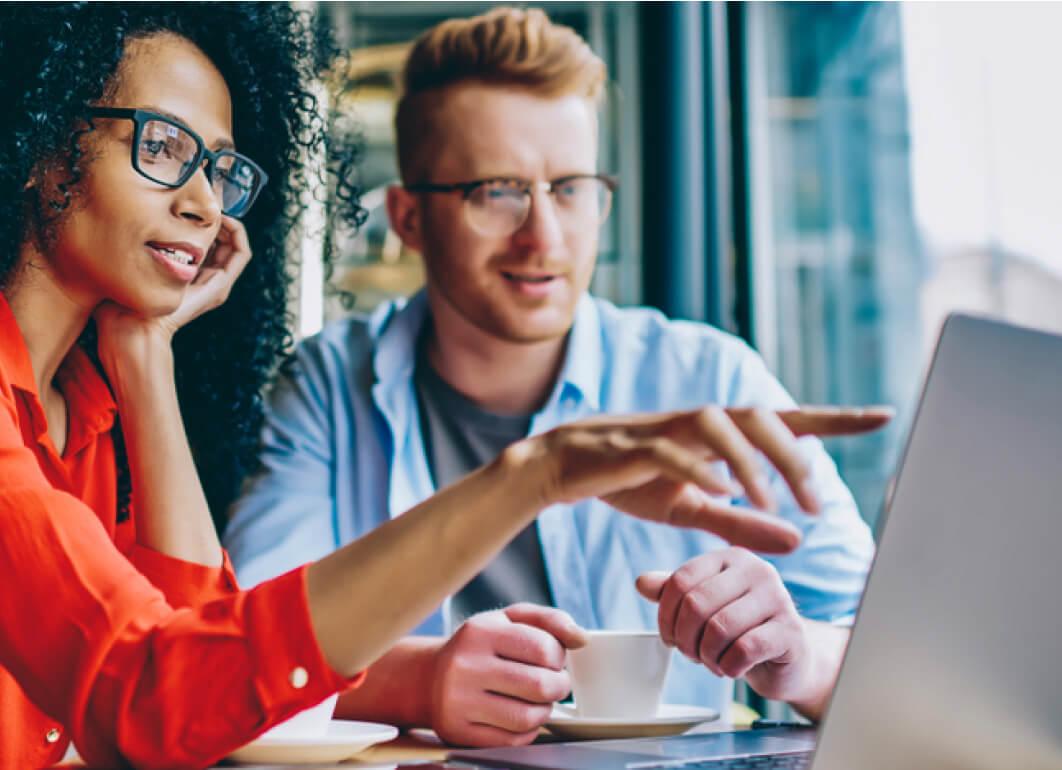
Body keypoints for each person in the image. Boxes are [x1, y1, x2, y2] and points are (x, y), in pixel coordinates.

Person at [0, 4, 887, 768]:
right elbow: (201, 680)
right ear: (409, 219)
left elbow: (205, 664)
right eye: (497, 191)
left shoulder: (91, 409)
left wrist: (793, 652)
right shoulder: (325, 387)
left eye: (572, 188)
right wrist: (532, 481)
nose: (206, 205)